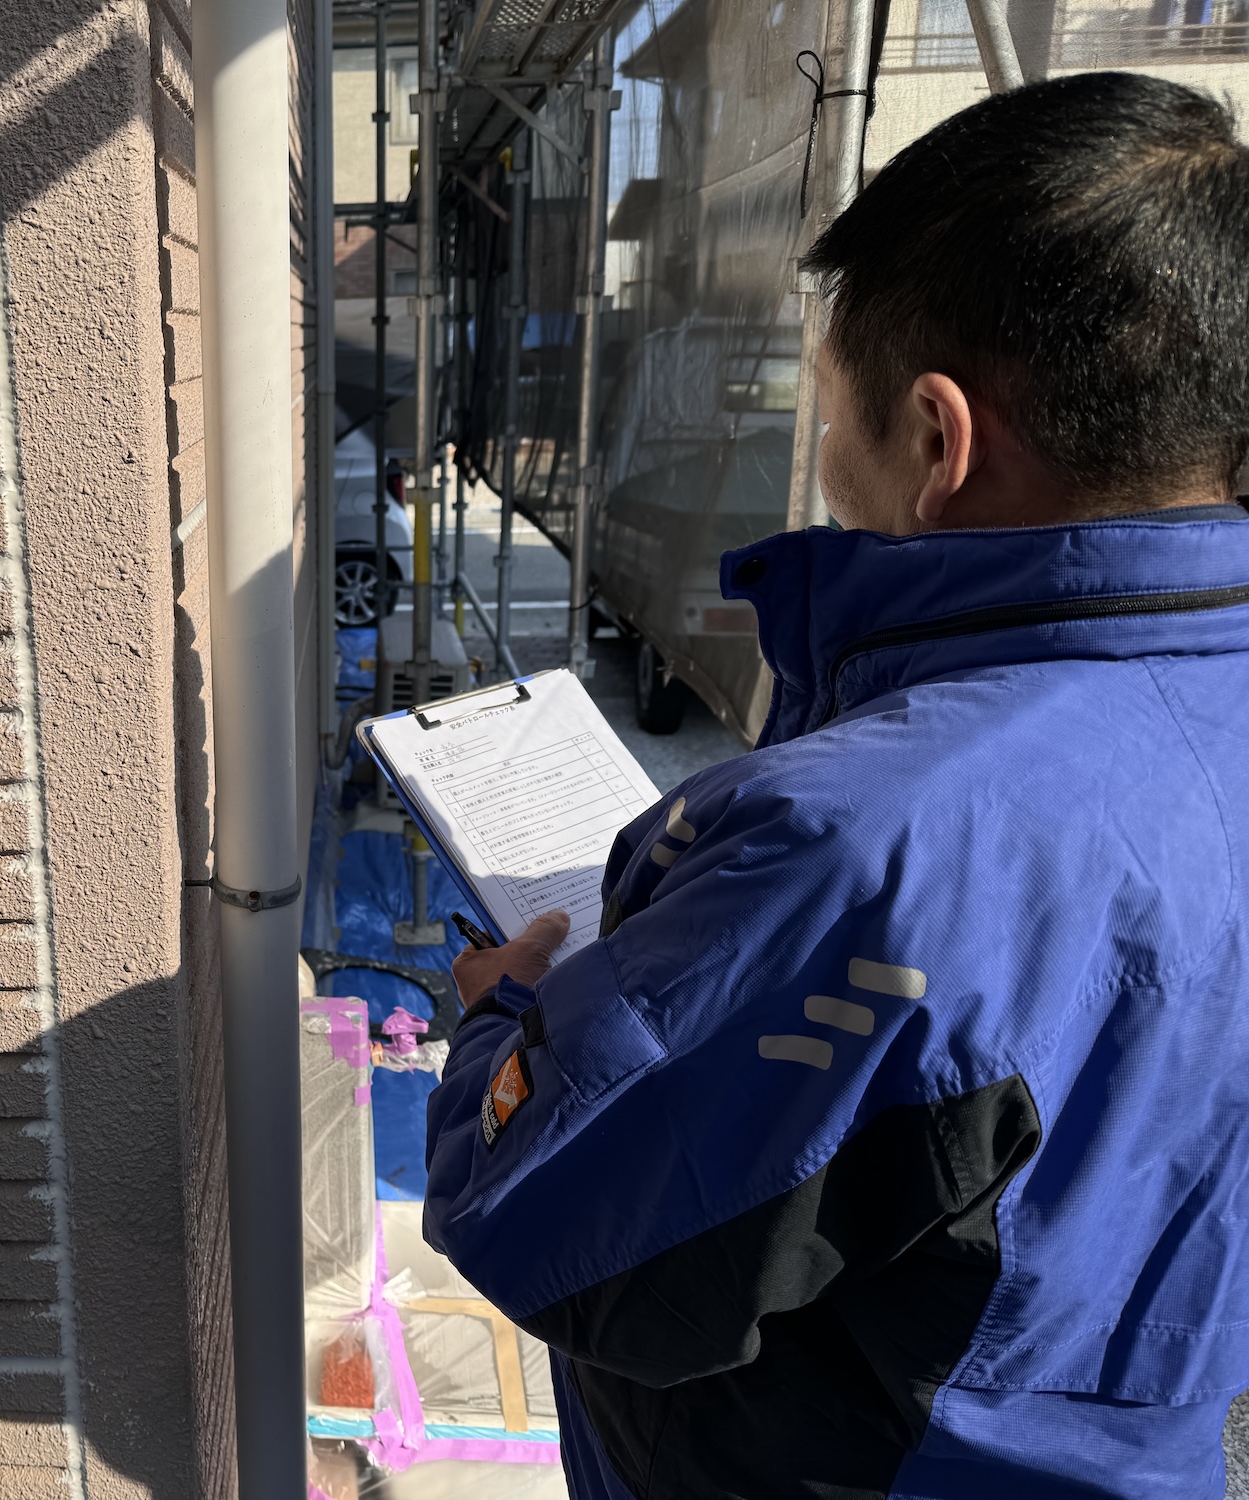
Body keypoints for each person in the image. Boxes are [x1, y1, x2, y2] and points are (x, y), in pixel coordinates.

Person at [425, 70, 1249, 1498]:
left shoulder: (872, 844)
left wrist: (504, 1015)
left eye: (828, 413)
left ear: (937, 440)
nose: (820, 459)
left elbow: (546, 1214)